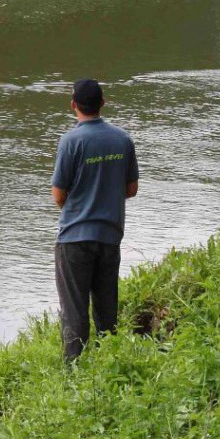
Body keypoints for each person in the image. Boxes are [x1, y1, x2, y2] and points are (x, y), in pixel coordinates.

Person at [51, 78, 139, 361]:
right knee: (106, 309)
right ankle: (108, 365)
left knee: (74, 311)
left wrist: (78, 204)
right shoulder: (122, 139)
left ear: (73, 104)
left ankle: (73, 372)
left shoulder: (70, 141)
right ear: (103, 102)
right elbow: (131, 189)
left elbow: (58, 195)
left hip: (75, 238)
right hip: (110, 236)